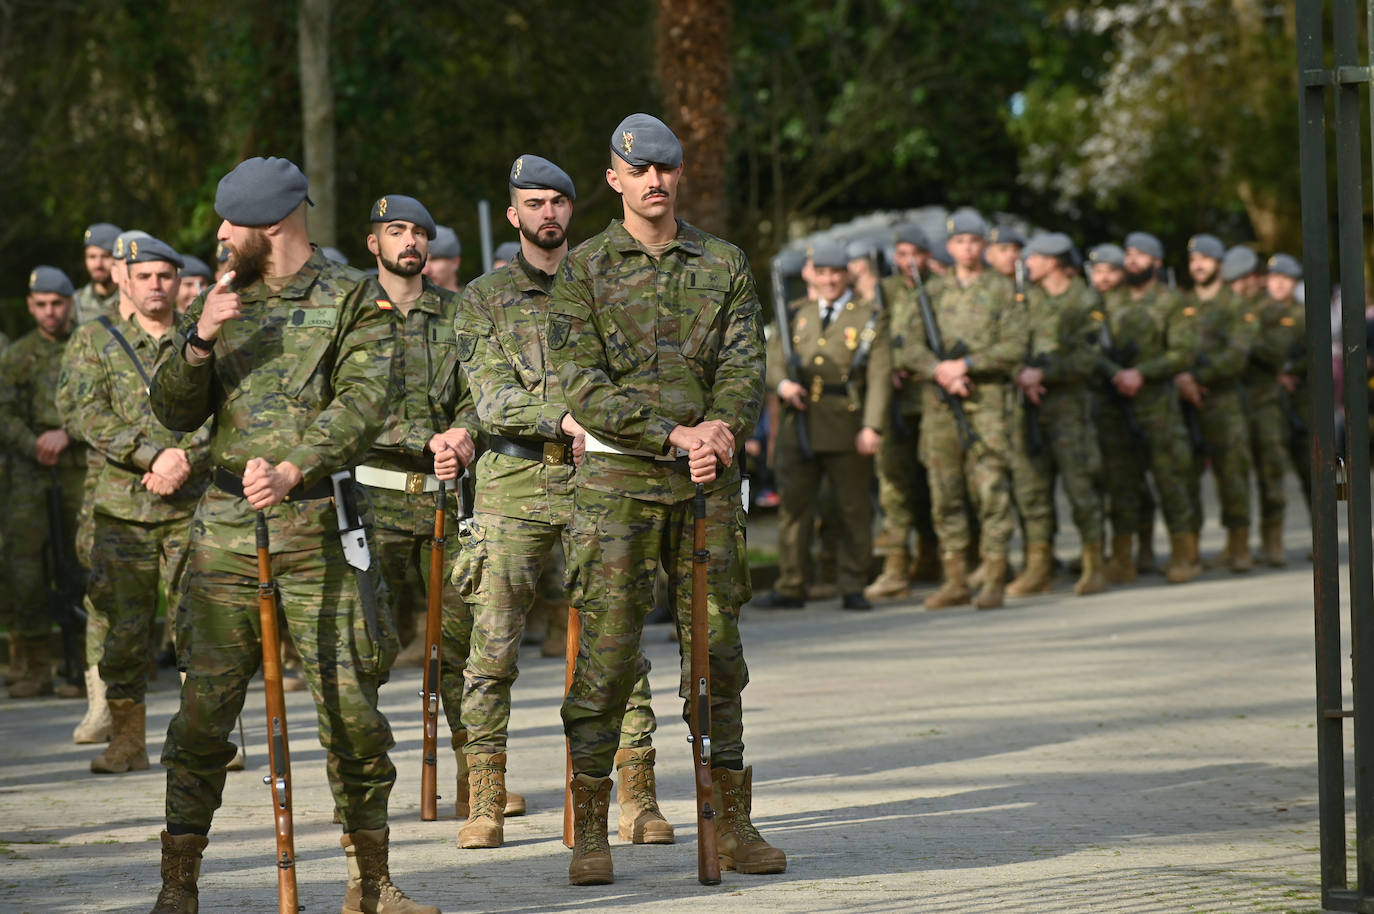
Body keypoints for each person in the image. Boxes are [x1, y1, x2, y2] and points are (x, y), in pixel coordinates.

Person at [146, 156, 437, 914]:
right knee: (204, 717)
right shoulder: (217, 299)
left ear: (272, 225)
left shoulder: (352, 298)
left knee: (353, 715)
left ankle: (370, 882)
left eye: (231, 222)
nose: (219, 234)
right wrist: (200, 341)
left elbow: (365, 403)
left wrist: (295, 465)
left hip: (318, 531)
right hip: (225, 539)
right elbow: (174, 414)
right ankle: (178, 883)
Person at [547, 113, 786, 885]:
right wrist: (671, 434)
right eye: (638, 169)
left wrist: (719, 428)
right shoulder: (583, 270)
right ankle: (591, 829)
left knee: (718, 656)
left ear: (679, 175)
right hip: (618, 486)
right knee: (609, 660)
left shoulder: (722, 262)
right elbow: (579, 384)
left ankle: (735, 819)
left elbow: (746, 360)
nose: (654, 180)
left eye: (666, 168)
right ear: (613, 179)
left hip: (706, 485)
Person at [454, 154, 671, 850]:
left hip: (600, 480)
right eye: (533, 203)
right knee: (492, 648)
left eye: (557, 201)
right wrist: (566, 417)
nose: (547, 213)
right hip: (514, 485)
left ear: (572, 210)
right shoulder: (483, 299)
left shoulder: (611, 283)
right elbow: (490, 396)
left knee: (618, 644)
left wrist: (606, 423)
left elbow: (642, 381)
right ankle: (484, 800)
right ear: (513, 214)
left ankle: (637, 797)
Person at [353, 192, 516, 841]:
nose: (411, 242)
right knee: (367, 650)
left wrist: (464, 433)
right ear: (374, 243)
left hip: (443, 501)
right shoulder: (349, 313)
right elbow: (345, 402)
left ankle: (476, 786)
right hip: (373, 501)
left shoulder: (459, 312)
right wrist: (425, 435)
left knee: (460, 651)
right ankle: (365, 784)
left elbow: (483, 388)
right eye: (397, 230)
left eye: (420, 231)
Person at [56, 236, 211, 774]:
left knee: (199, 620)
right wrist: (151, 458)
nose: (155, 286)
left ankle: (199, 738)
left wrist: (184, 458)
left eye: (164, 276)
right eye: (143, 276)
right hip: (123, 508)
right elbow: (83, 412)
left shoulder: (199, 337)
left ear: (176, 280)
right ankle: (127, 739)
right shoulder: (94, 339)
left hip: (191, 503)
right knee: (125, 626)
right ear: (124, 279)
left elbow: (225, 404)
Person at [895, 207, 1021, 610]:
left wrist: (966, 366)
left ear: (984, 245)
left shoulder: (1002, 291)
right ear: (950, 247)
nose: (967, 248)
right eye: (960, 242)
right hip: (939, 404)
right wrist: (940, 371)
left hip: (986, 402)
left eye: (974, 241)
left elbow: (1015, 346)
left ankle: (994, 577)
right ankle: (955, 580)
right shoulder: (931, 293)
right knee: (945, 492)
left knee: (990, 490)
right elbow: (909, 345)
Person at [754, 238, 889, 610]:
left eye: (836, 273)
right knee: (794, 508)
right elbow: (773, 358)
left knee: (852, 508)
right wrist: (782, 384)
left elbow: (878, 376)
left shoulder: (868, 316)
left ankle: (852, 583)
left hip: (846, 421)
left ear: (847, 274)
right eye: (823, 273)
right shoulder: (797, 313)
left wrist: (872, 426)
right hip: (800, 422)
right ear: (812, 274)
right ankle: (792, 583)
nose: (830, 280)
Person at [0, 266, 88, 699]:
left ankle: (88, 663)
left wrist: (67, 433)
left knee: (82, 562)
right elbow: (4, 412)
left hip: (79, 467)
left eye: (57, 303)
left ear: (70, 303)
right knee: (26, 567)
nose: (49, 312)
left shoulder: (88, 346)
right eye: (41, 305)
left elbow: (101, 401)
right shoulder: (17, 355)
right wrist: (33, 441)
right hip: (30, 472)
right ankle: (35, 665)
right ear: (31, 306)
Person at [1008, 232, 1108, 596]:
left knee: (1079, 485)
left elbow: (1089, 357)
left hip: (1068, 408)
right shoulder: (1025, 299)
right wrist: (1022, 374)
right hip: (1030, 406)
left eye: (1032, 257)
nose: (1026, 264)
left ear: (1052, 261)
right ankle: (1039, 566)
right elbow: (1012, 340)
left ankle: (1095, 563)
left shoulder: (1083, 299)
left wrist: (1044, 374)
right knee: (1032, 489)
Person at [1100, 231, 1200, 584]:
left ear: (1156, 263)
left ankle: (1183, 555)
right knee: (1123, 484)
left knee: (1171, 480)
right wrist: (1118, 374)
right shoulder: (1111, 301)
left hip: (1158, 408)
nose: (1131, 261)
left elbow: (1183, 353)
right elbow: (1096, 348)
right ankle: (1124, 559)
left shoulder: (1171, 303)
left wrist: (1141, 373)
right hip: (1119, 407)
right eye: (1128, 254)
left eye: (1140, 255)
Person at [865, 222, 941, 601]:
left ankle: (944, 556)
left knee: (942, 483)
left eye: (915, 253)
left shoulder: (941, 290)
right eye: (902, 254)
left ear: (927, 256)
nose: (907, 261)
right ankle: (897, 565)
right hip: (895, 402)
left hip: (932, 399)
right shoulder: (886, 291)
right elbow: (874, 335)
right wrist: (888, 365)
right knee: (894, 483)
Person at [1176, 234, 1255, 572]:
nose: (1198, 265)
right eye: (1194, 259)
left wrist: (1199, 377)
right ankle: (1189, 550)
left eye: (1205, 259)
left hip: (1224, 402)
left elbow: (1238, 355)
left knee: (1233, 473)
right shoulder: (1180, 303)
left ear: (1219, 264)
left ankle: (1238, 548)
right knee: (1186, 474)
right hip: (1186, 403)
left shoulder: (1234, 305)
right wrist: (1182, 377)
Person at [74, 223, 122, 324]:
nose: (98, 264)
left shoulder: (132, 299)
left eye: (105, 256)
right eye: (92, 257)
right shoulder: (75, 303)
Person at [424, 225, 462, 292]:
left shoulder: (477, 301)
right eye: (422, 260)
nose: (425, 270)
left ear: (455, 262)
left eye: (434, 259)